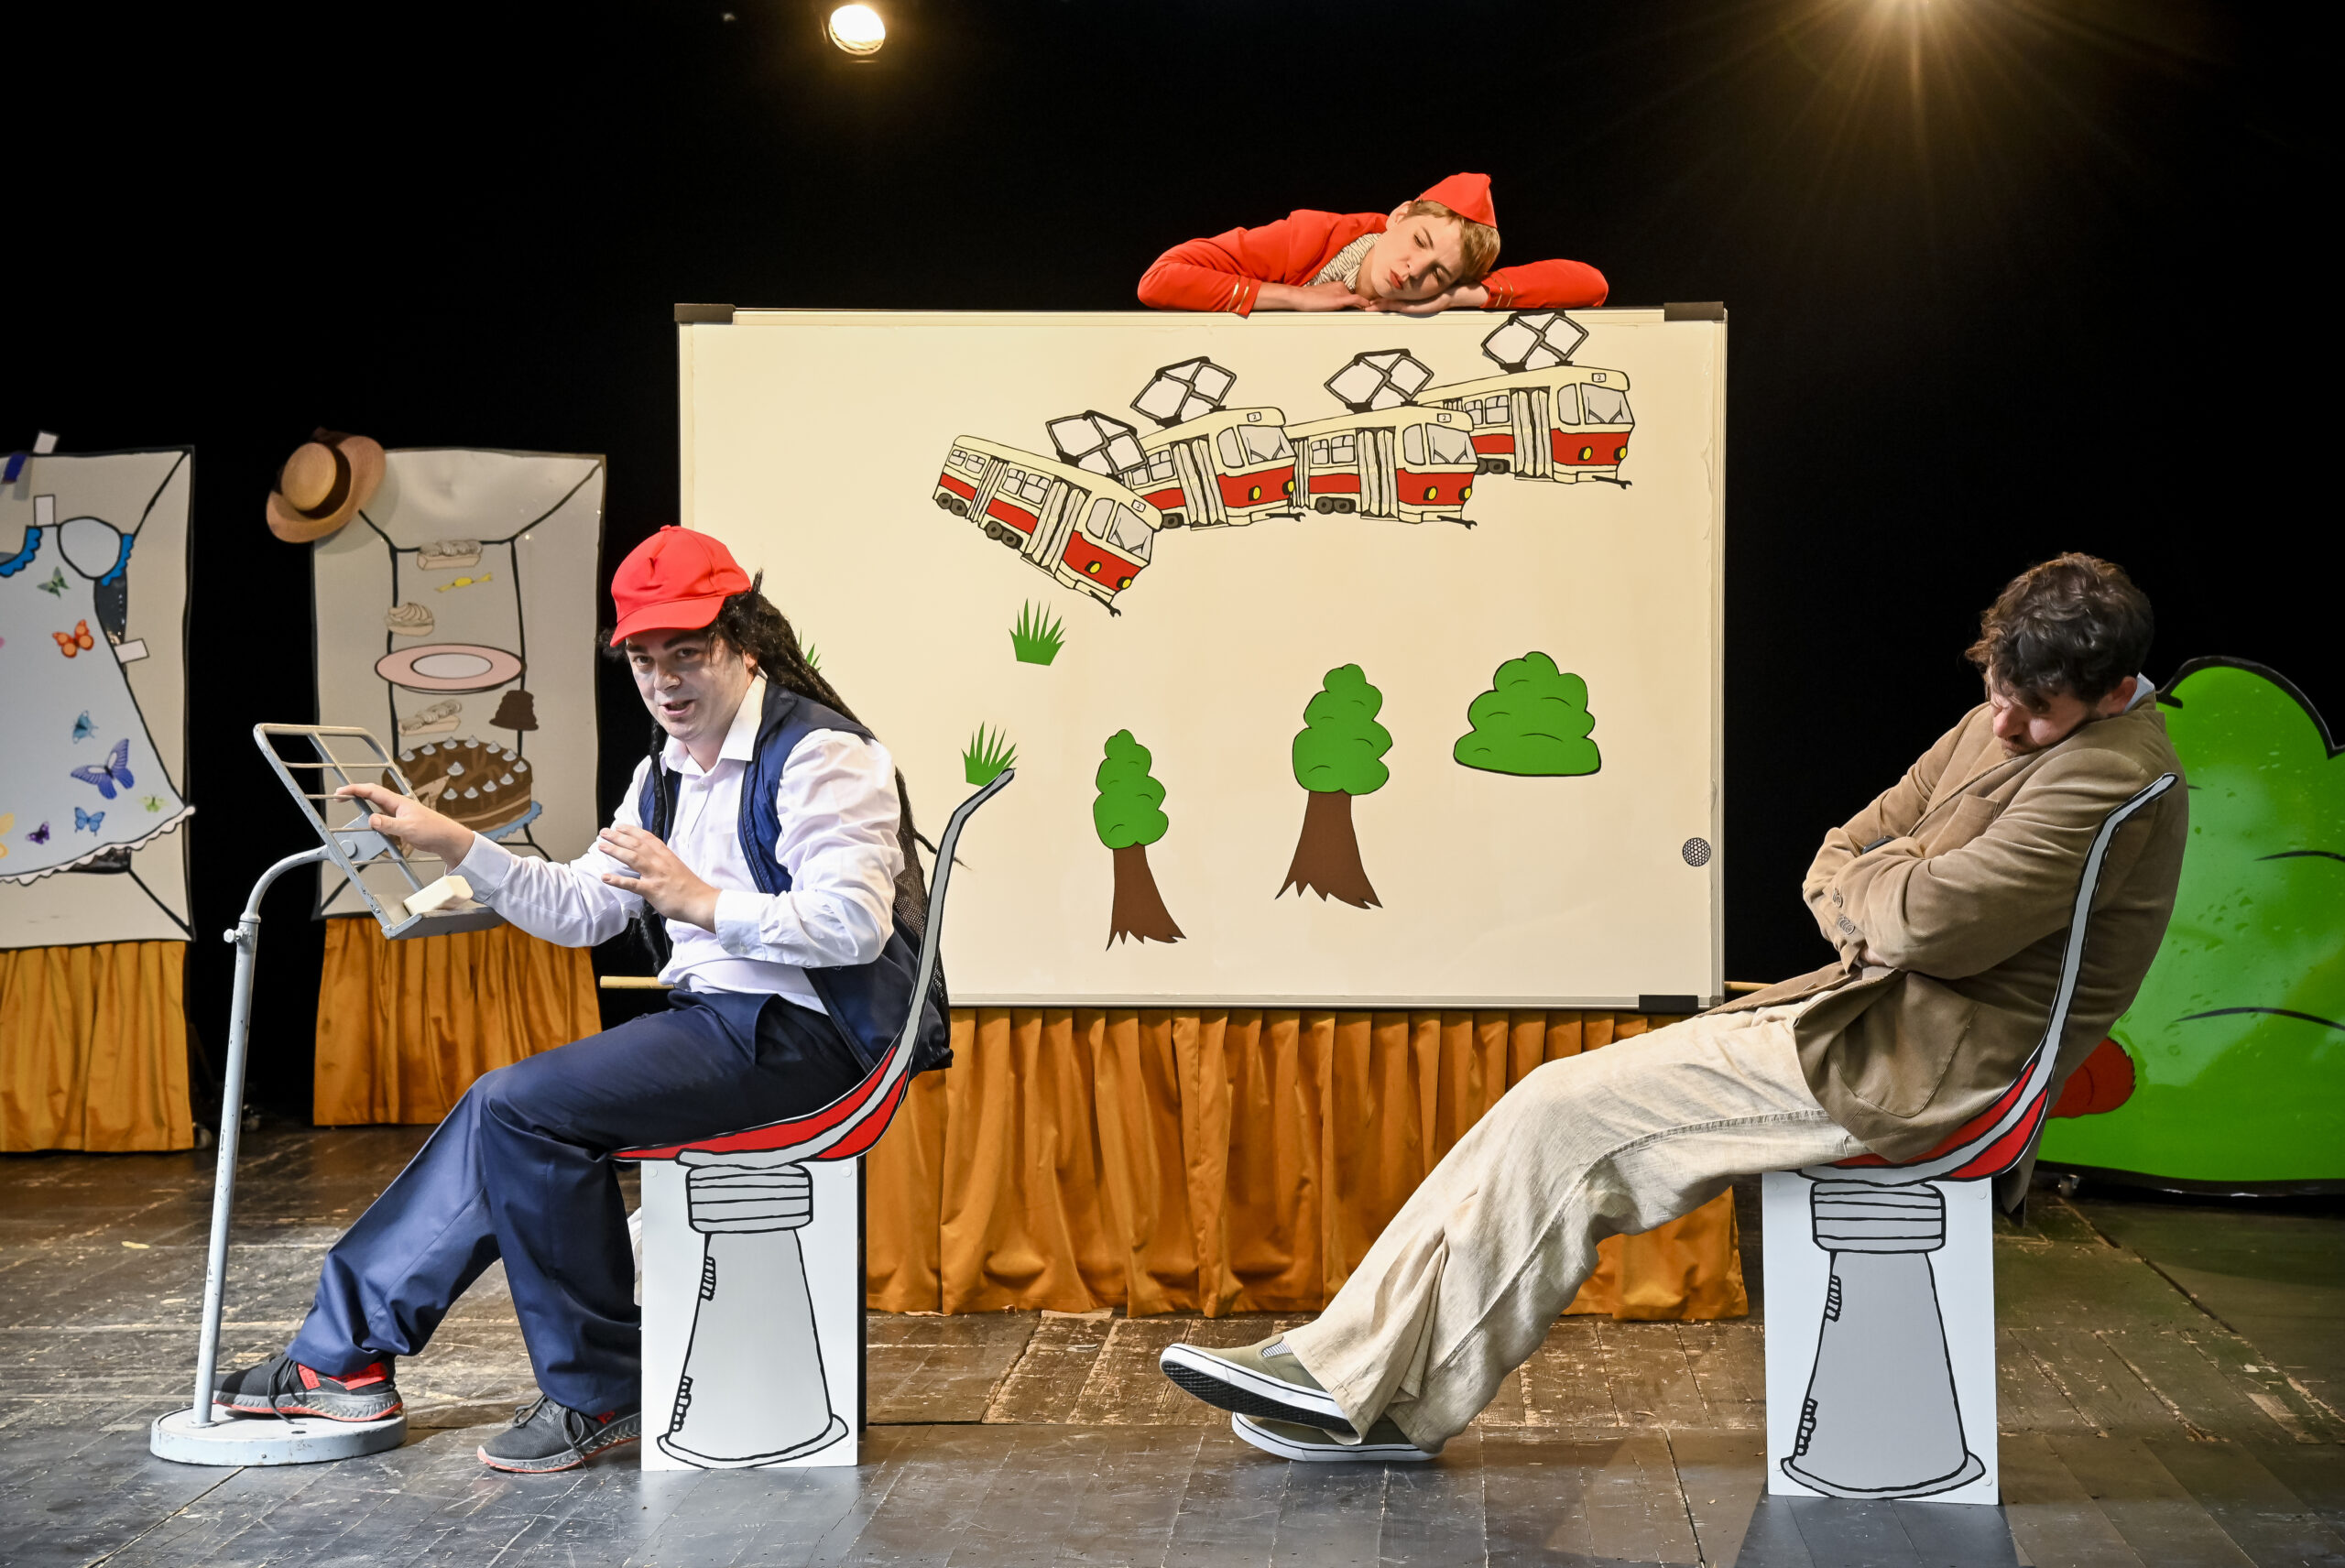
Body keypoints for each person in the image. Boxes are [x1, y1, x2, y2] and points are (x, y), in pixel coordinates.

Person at [1158, 553, 2189, 1463]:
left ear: (2110, 694)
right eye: (1997, 691)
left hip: (1933, 1069)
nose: (2002, 725)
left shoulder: (2113, 774)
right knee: (1545, 1100)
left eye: (2034, 711)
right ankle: (1347, 1370)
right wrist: (1890, 887)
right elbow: (1840, 849)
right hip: (1856, 1011)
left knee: (1568, 1118)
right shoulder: (1995, 721)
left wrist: (1890, 887)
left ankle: (1375, 1398)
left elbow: (1927, 921)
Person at [210, 526, 944, 1473]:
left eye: (687, 653)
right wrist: (454, 841)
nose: (664, 682)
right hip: (720, 1025)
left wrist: (696, 900)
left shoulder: (822, 755)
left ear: (742, 642)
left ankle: (597, 1388)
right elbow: (584, 909)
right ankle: (340, 1357)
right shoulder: (664, 772)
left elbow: (851, 926)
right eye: (644, 660)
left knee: (519, 1108)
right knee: (504, 1110)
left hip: (813, 1035)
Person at [1136, 172, 1607, 317]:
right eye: (1419, 240)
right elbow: (1159, 280)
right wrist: (1296, 298)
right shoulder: (1312, 236)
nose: (1415, 270)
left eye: (1439, 272)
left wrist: (1460, 296)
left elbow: (1592, 285)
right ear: (1399, 215)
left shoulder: (1443, 294)